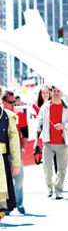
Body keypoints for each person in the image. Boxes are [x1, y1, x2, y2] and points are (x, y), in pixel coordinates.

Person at [35, 86, 68, 199]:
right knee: (47, 166)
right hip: (48, 143)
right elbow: (39, 125)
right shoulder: (45, 107)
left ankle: (58, 190)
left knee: (62, 169)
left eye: (58, 91)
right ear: (51, 92)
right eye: (54, 91)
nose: (56, 93)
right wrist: (36, 141)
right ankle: (49, 187)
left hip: (63, 143)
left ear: (62, 92)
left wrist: (63, 126)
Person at [2, 91, 28, 214]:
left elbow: (25, 135)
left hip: (15, 152)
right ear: (3, 102)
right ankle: (5, 206)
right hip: (4, 152)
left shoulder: (20, 115)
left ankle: (19, 203)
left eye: (14, 102)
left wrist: (22, 149)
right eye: (10, 102)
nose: (13, 104)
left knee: (19, 180)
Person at [0, 90, 21, 222]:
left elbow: (14, 141)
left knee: (2, 198)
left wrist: (16, 162)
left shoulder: (7, 116)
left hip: (2, 160)